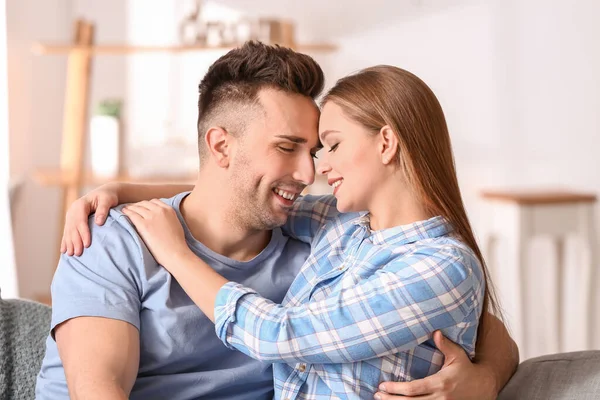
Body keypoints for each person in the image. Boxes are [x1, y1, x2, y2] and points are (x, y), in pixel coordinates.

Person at [40, 42, 518, 400]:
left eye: (319, 150)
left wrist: (486, 378)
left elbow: (476, 318)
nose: (311, 173)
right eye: (289, 148)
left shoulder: (323, 237)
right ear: (220, 146)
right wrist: (123, 194)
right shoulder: (115, 239)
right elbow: (97, 390)